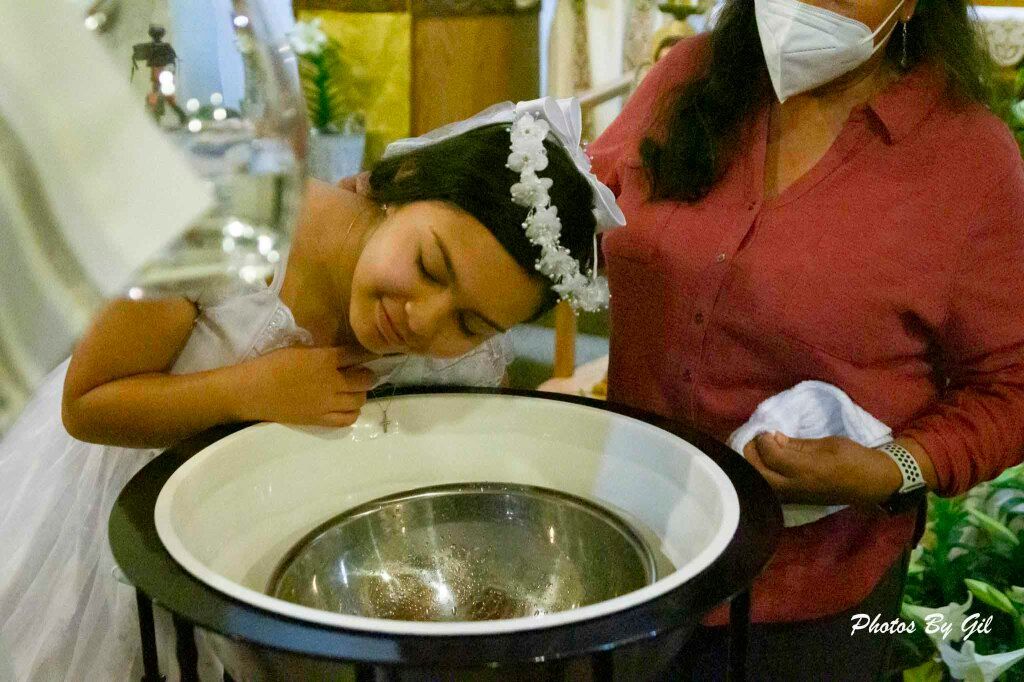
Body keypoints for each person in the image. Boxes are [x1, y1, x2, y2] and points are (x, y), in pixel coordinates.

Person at [0, 97, 625, 681]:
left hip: (271, 558)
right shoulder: (231, 220)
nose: (423, 321)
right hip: (116, 524)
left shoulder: (465, 360)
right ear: (403, 187)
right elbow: (85, 405)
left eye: (469, 323)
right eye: (430, 267)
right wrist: (245, 390)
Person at [588, 0, 1024, 678]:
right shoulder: (689, 78)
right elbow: (580, 208)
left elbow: (1012, 386)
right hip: (631, 553)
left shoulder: (967, 159)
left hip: (805, 598)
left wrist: (891, 469)